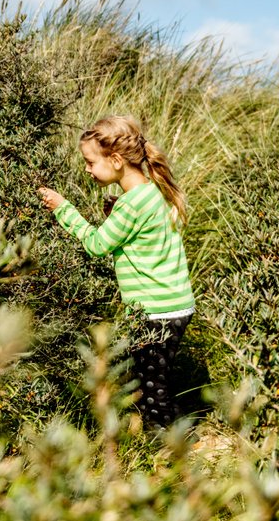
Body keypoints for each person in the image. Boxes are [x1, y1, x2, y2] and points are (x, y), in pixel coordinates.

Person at [37, 115, 195, 430]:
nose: (87, 169)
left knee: (151, 386)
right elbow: (145, 234)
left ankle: (174, 443)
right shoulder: (150, 193)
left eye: (91, 162)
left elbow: (97, 244)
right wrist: (115, 214)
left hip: (157, 310)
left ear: (117, 160)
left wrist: (63, 209)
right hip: (175, 304)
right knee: (152, 378)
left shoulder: (131, 204)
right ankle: (167, 436)